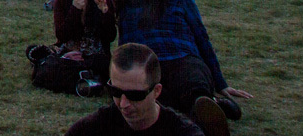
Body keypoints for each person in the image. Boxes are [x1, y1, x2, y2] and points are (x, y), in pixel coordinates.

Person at [113, 0, 251, 132]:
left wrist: (221, 83)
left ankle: (207, 110)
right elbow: (125, 48)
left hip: (184, 59)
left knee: (194, 89)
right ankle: (211, 113)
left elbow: (202, 39)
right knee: (159, 102)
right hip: (150, 65)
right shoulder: (127, 5)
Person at [64, 43, 205, 136]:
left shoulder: (182, 132)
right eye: (116, 92)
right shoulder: (94, 128)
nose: (123, 104)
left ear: (156, 91)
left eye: (135, 95)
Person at [26, 0, 117, 95]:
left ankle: (83, 79)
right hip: (68, 53)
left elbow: (110, 37)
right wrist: (75, 10)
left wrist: (106, 15)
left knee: (102, 64)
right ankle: (83, 79)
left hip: (95, 56)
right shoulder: (62, 1)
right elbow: (62, 36)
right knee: (34, 51)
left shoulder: (104, 2)